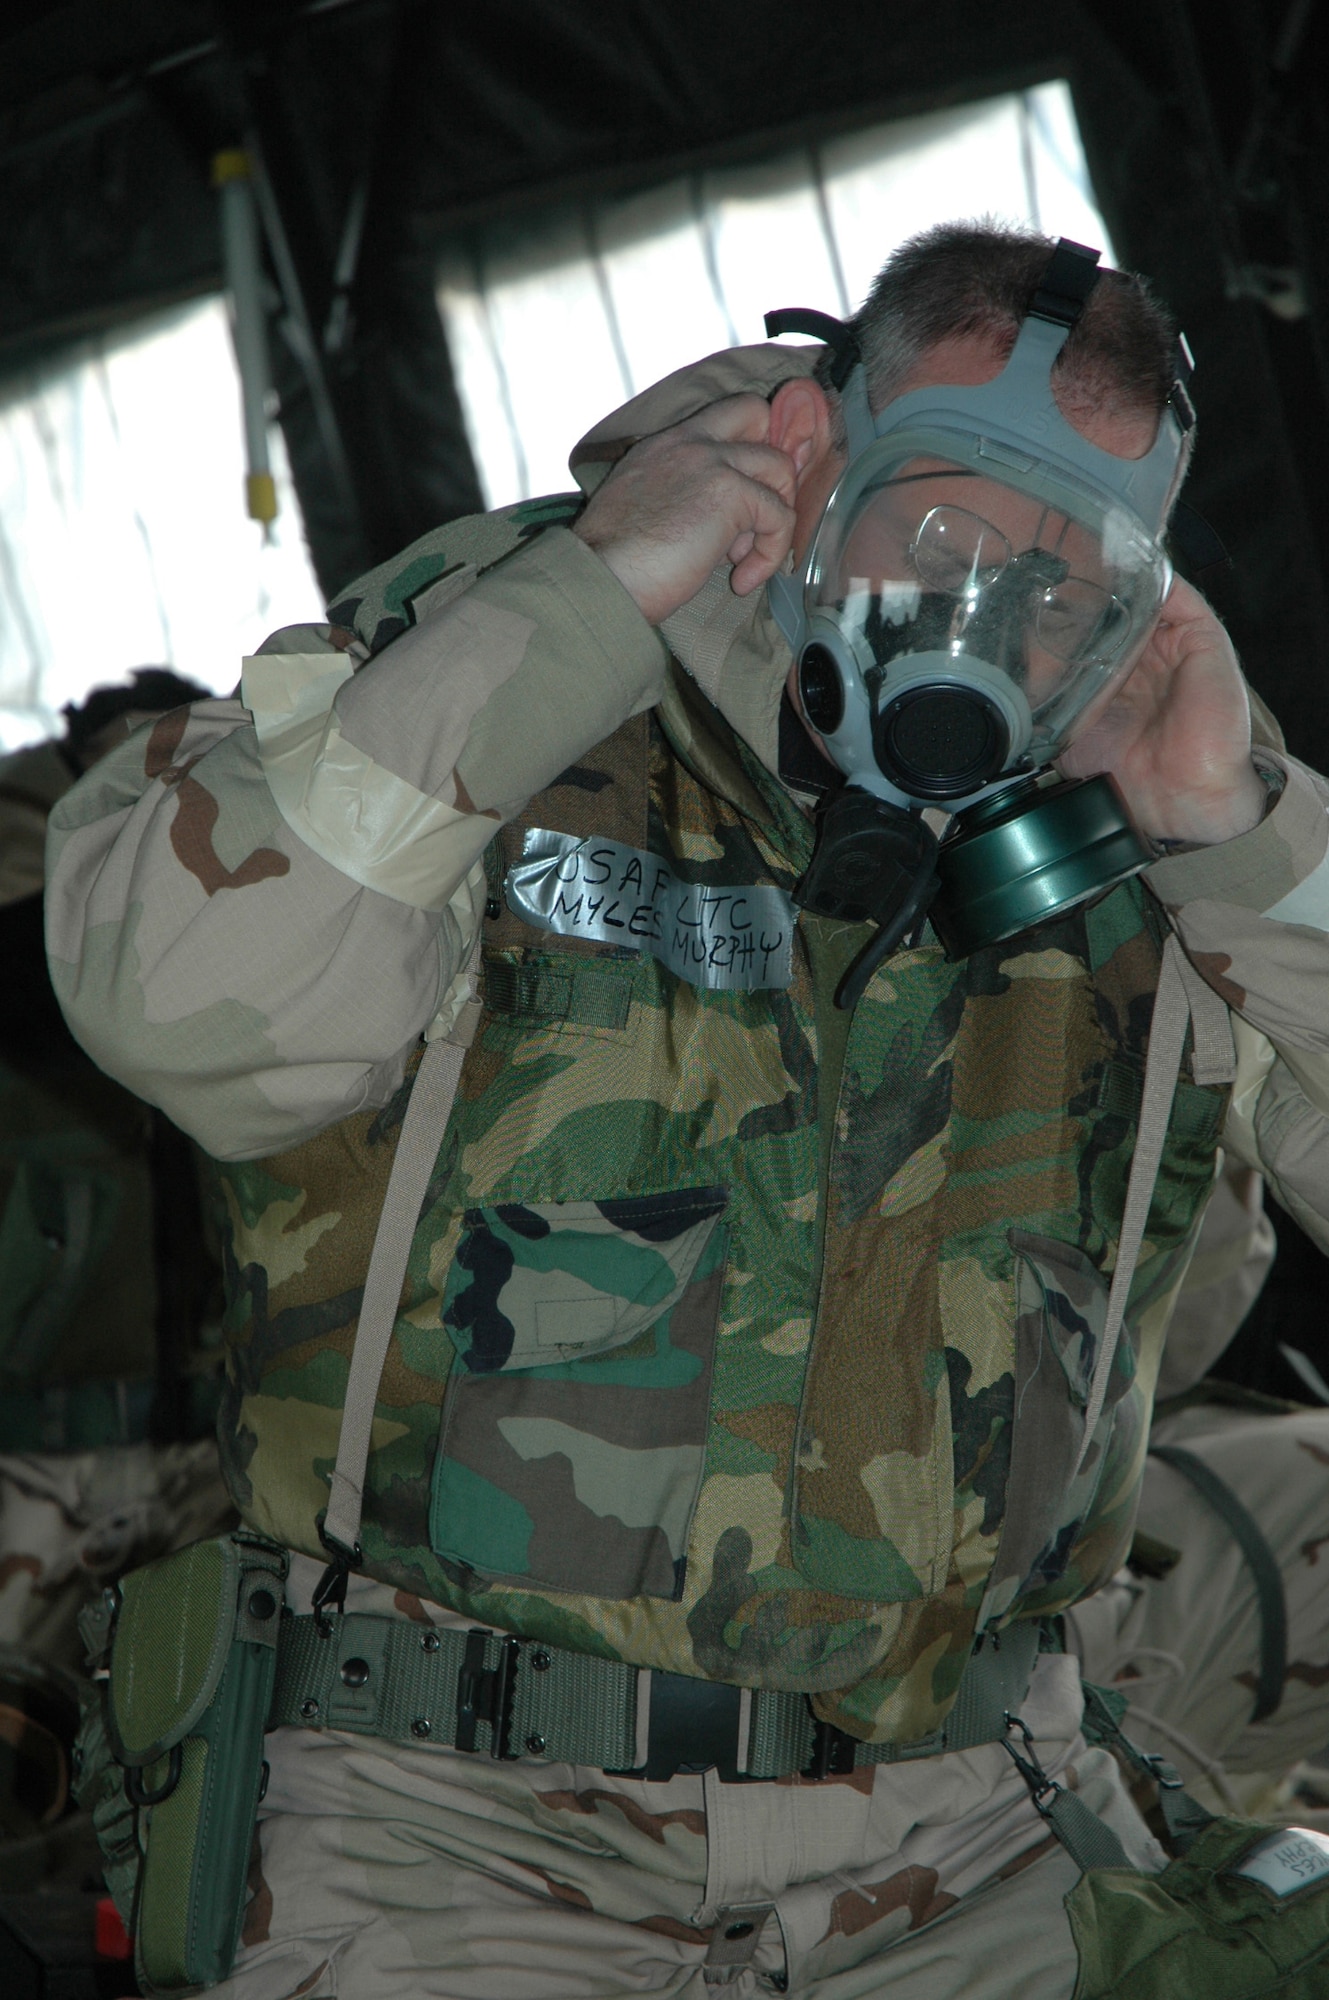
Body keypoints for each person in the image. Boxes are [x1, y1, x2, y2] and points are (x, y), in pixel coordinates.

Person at [43, 226, 1329, 1996]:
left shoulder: (1142, 804)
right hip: (460, 1836)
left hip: (971, 1841)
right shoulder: (501, 654)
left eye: (1061, 579)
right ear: (812, 452)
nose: (985, 619)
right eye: (941, 527)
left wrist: (1243, 833)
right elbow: (172, 1004)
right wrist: (578, 603)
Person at [0, 671, 234, 1872]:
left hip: (219, 1452)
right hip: (34, 1449)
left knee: (208, 1811)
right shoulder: (22, 845)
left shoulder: (252, 843)